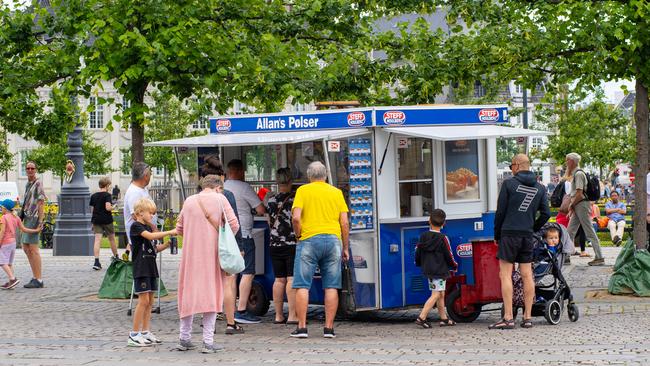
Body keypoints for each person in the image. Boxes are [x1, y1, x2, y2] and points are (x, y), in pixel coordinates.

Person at [175, 175, 240, 353]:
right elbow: (234, 225)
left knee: (188, 293)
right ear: (218, 187)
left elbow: (179, 228)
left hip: (190, 255)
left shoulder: (189, 201)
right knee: (212, 293)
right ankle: (208, 341)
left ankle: (184, 337)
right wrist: (223, 237)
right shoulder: (221, 199)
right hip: (212, 254)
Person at [290, 161, 350, 339]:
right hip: (333, 240)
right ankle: (329, 329)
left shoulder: (303, 191)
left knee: (302, 285)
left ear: (309, 176)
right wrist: (345, 247)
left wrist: (298, 234)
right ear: (325, 175)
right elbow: (344, 222)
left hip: (308, 240)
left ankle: (301, 328)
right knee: (331, 285)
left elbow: (295, 218)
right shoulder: (336, 192)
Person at [491, 154, 550, 330]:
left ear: (517, 166)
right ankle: (527, 317)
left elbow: (500, 212)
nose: (511, 169)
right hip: (527, 235)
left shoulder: (509, 184)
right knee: (527, 275)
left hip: (509, 234)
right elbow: (546, 214)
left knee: (505, 274)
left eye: (511, 166)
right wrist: (533, 227)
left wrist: (497, 234)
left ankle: (508, 317)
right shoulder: (540, 188)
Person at [200, 155, 244, 335]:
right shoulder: (226, 195)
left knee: (208, 282)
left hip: (204, 245)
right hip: (223, 245)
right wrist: (238, 246)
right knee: (229, 282)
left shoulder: (198, 196)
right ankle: (230, 322)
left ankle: (207, 321)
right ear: (221, 177)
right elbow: (234, 222)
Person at [127, 198, 176, 347]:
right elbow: (150, 237)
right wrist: (170, 231)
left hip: (151, 268)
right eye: (151, 213)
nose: (153, 216)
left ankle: (145, 331)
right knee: (143, 301)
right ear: (140, 213)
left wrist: (167, 244)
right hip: (141, 268)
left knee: (150, 302)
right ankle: (134, 334)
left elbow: (154, 248)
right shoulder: (136, 227)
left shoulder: (147, 228)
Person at [224, 159, 266, 324]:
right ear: (240, 171)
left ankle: (230, 310)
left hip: (227, 236)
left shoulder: (223, 187)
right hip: (244, 235)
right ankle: (242, 310)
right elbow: (260, 209)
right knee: (248, 273)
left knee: (232, 274)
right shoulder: (244, 187)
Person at [413, 209, 458, 328]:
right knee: (436, 294)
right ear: (444, 223)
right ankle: (421, 317)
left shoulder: (423, 236)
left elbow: (417, 252)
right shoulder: (443, 238)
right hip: (440, 271)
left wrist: (419, 263)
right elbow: (449, 255)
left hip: (428, 270)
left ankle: (444, 318)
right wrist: (454, 266)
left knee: (441, 293)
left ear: (429, 221)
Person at [265, 168, 298, 325]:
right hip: (291, 243)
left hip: (274, 243)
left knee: (279, 280)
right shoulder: (295, 200)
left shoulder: (270, 200)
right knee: (291, 278)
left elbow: (268, 221)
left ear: (277, 182)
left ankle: (278, 315)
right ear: (291, 180)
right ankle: (292, 315)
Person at [565, 153, 604, 266]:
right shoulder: (578, 173)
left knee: (589, 230)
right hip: (579, 205)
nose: (566, 163)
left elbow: (579, 194)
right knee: (570, 231)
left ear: (572, 161)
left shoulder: (578, 174)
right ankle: (566, 256)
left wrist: (571, 205)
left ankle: (599, 256)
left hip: (581, 205)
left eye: (567, 160)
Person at [0, 199, 40, 289]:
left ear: (5, 208)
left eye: (1, 207)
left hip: (5, 242)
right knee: (9, 263)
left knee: (2, 262)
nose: (0, 209)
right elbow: (24, 229)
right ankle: (11, 281)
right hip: (13, 243)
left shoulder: (3, 217)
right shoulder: (16, 217)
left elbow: (2, 232)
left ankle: (13, 279)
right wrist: (36, 230)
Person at [20, 161, 46, 289]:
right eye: (28, 168)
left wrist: (40, 221)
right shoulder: (28, 184)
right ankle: (35, 276)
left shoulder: (38, 183)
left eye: (32, 168)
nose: (30, 170)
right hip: (27, 217)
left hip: (34, 218)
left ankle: (39, 279)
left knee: (34, 249)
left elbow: (41, 203)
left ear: (35, 170)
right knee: (25, 248)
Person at [123, 162, 156, 261]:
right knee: (142, 263)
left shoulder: (142, 189)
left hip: (145, 234)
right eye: (150, 174)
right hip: (141, 236)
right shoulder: (134, 192)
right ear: (145, 176)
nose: (150, 176)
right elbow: (135, 216)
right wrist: (153, 227)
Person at [90, 177, 118, 270]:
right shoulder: (107, 195)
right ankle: (116, 258)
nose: (110, 187)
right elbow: (107, 208)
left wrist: (92, 221)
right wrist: (113, 206)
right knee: (112, 239)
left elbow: (93, 210)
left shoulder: (93, 196)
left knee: (97, 240)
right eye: (109, 185)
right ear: (106, 185)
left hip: (97, 220)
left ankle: (96, 262)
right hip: (107, 220)